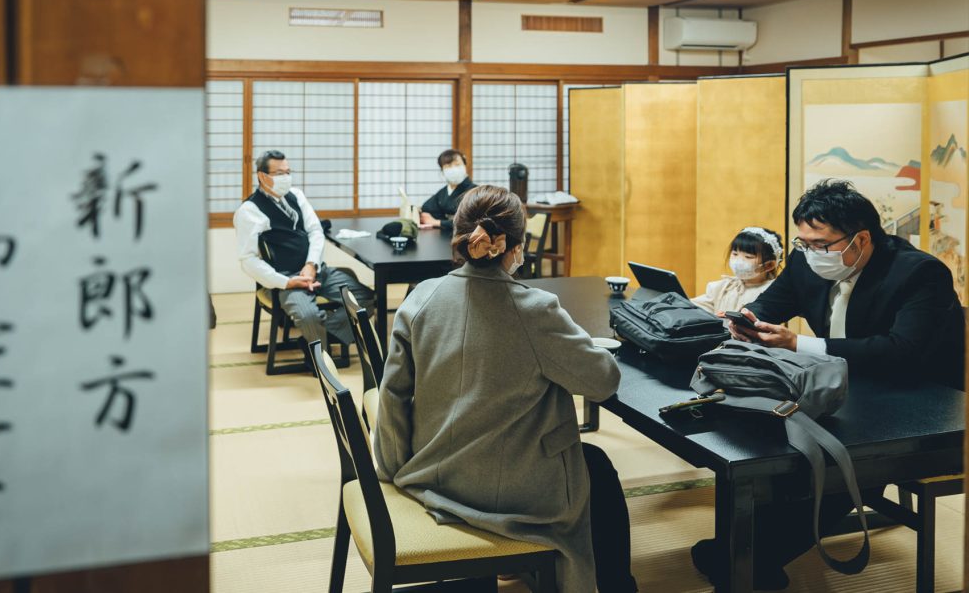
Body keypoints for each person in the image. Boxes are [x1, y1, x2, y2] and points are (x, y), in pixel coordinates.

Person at [692, 179, 964, 590]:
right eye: (803, 243)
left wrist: (798, 342)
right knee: (765, 435)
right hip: (846, 388)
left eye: (822, 244)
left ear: (862, 239)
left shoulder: (919, 273)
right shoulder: (807, 262)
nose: (811, 253)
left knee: (831, 457)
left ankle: (754, 556)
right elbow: (772, 303)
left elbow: (902, 351)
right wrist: (746, 319)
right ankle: (746, 548)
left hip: (916, 401)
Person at [375, 185, 638, 593]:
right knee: (597, 467)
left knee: (594, 465)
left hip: (433, 474)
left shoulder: (422, 298)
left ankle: (523, 567)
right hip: (507, 491)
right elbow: (601, 382)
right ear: (516, 248)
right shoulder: (534, 310)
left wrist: (395, 472)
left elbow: (392, 395)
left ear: (460, 236)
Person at [233, 150, 374, 346]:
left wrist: (311, 265)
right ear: (262, 176)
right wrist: (286, 282)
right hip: (286, 279)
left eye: (288, 172)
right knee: (308, 316)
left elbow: (315, 231)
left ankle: (318, 342)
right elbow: (248, 260)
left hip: (317, 271)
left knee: (365, 299)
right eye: (280, 174)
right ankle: (319, 350)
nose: (286, 178)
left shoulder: (296, 196)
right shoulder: (249, 211)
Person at [691, 227, 783, 315]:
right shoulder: (723, 287)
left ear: (769, 265)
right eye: (735, 254)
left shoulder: (771, 291)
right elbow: (696, 307)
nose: (738, 261)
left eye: (748, 257)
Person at [419, 148, 476, 230]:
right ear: (442, 171)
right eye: (448, 166)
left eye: (457, 164)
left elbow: (471, 221)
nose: (453, 169)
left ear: (465, 165)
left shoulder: (475, 191)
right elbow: (427, 208)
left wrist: (437, 222)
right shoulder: (443, 192)